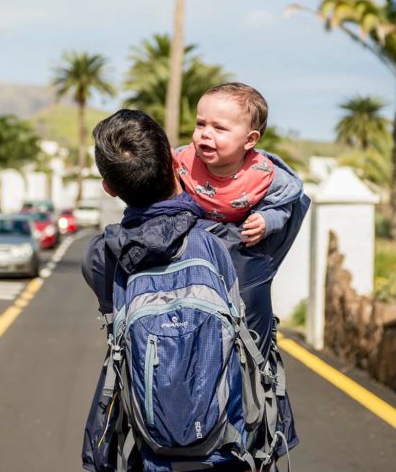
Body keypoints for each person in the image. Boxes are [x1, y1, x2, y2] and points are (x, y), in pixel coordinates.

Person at [81, 109, 307, 471]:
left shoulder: (102, 255)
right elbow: (293, 195)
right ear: (175, 160)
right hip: (239, 448)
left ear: (109, 188)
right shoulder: (243, 243)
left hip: (151, 448)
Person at [174, 82, 308, 358]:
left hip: (236, 241)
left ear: (250, 140)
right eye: (200, 125)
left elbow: (282, 206)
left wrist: (265, 220)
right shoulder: (182, 161)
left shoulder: (263, 175)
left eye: (219, 128)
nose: (205, 135)